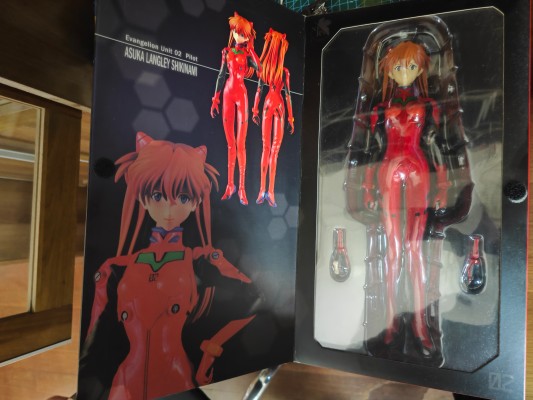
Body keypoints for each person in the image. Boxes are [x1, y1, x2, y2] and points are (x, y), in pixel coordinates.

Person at [83, 132, 256, 400]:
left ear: (196, 202)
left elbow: (253, 298)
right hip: (123, 385)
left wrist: (212, 349)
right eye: (157, 195)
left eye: (183, 198)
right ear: (142, 198)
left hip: (177, 381)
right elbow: (92, 347)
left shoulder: (200, 261)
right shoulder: (115, 268)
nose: (169, 208)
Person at [355, 41, 449, 356]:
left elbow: (435, 145)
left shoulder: (429, 105)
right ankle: (391, 322)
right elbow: (373, 149)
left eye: (410, 66)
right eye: (398, 67)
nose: (404, 72)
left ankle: (420, 324)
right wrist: (367, 187)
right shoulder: (381, 109)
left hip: (419, 170)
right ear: (389, 71)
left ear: (420, 68)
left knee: (415, 251)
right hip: (388, 171)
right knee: (393, 252)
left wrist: (443, 186)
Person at [211, 12, 262, 205]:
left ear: (247, 37)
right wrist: (215, 98)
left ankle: (241, 188)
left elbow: (259, 68)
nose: (238, 36)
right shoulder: (226, 52)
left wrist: (251, 48)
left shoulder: (248, 54)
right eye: (236, 31)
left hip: (241, 95)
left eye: (242, 34)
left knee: (241, 144)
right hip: (227, 94)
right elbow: (221, 75)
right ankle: (230, 185)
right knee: (230, 144)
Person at [252, 29, 294, 207]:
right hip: (278, 107)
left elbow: (259, 90)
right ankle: (267, 191)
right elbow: (287, 96)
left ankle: (265, 190)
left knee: (267, 149)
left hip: (269, 105)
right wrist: (291, 117)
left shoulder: (266, 70)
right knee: (272, 150)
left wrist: (255, 109)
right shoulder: (282, 72)